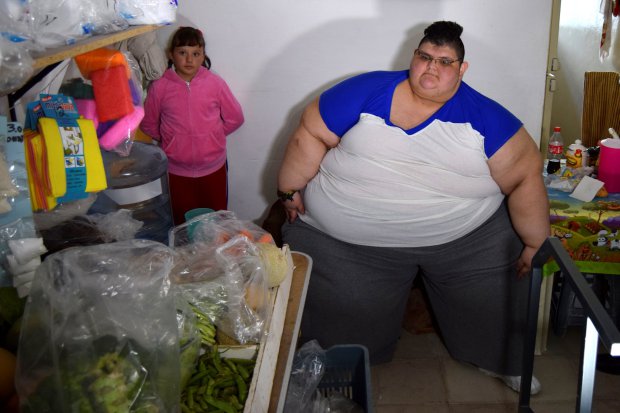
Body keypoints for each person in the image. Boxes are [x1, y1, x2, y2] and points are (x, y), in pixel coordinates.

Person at [276, 21, 549, 394]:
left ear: (461, 69)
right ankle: (329, 367)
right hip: (346, 241)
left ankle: (500, 360)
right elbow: (308, 134)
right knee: (344, 308)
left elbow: (525, 177)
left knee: (493, 293)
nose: (431, 68)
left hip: (464, 239)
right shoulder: (364, 91)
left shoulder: (487, 118)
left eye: (444, 61)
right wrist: (289, 190)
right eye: (424, 57)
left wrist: (535, 242)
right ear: (413, 57)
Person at [140, 26, 244, 224]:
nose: (189, 60)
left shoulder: (215, 83)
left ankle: (214, 254)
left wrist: (212, 136)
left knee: (217, 221)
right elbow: (148, 123)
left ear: (203, 55)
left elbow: (235, 117)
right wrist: (169, 139)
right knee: (183, 221)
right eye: (182, 53)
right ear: (171, 54)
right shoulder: (160, 87)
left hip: (213, 168)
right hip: (176, 170)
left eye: (196, 54)